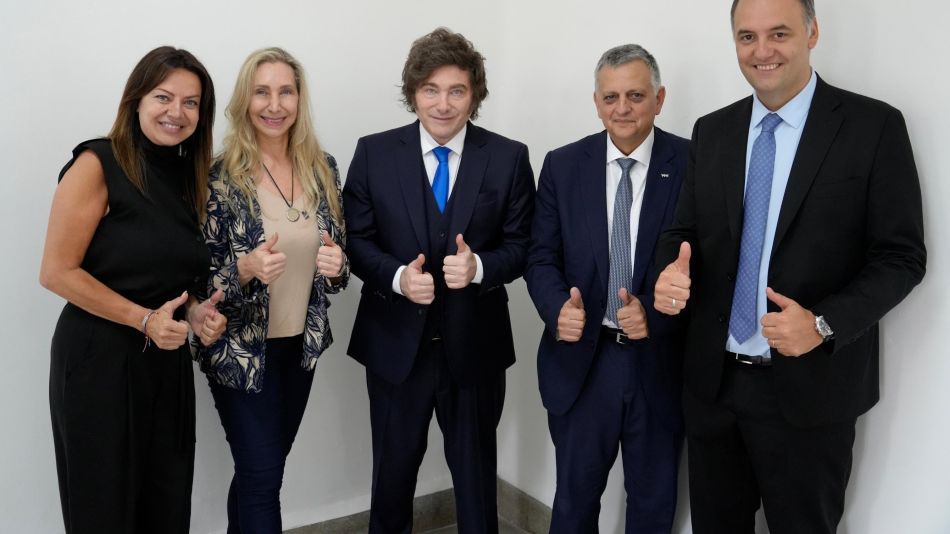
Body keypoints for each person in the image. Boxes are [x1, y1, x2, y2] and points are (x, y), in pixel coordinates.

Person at [653, 1, 926, 532]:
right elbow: (681, 233)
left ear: (812, 32)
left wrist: (823, 324)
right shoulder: (713, 130)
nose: (763, 51)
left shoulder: (873, 126)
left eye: (778, 33)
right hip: (713, 386)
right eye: (747, 37)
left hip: (810, 392)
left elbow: (901, 257)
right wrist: (670, 271)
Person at [343, 27, 535, 534]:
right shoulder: (374, 153)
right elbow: (355, 240)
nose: (443, 104)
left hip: (476, 350)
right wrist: (398, 277)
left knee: (476, 487)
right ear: (413, 92)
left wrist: (480, 268)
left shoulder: (509, 157)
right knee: (390, 483)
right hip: (394, 349)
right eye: (431, 90)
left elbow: (524, 245)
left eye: (457, 91)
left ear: (475, 95)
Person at [40, 46, 225, 534]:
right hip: (99, 362)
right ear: (136, 99)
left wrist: (194, 313)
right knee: (104, 511)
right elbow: (57, 271)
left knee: (166, 508)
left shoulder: (187, 175)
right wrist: (142, 319)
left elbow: (169, 276)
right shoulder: (97, 162)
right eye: (164, 97)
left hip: (164, 362)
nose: (176, 112)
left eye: (191, 102)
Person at [525, 44, 687, 533]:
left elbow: (706, 262)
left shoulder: (693, 163)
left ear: (659, 99)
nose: (622, 108)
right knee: (573, 505)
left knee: (653, 507)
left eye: (635, 95)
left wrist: (653, 312)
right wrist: (557, 309)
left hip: (659, 364)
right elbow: (540, 257)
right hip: (583, 362)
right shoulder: (563, 165)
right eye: (610, 97)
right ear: (596, 102)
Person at [197, 47, 348, 533]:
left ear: (300, 100)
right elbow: (197, 282)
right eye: (262, 92)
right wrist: (244, 269)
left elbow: (337, 266)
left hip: (300, 349)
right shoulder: (218, 177)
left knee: (259, 472)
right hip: (240, 349)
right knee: (263, 479)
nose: (275, 104)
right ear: (245, 100)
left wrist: (337, 266)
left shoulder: (323, 168)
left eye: (286, 92)